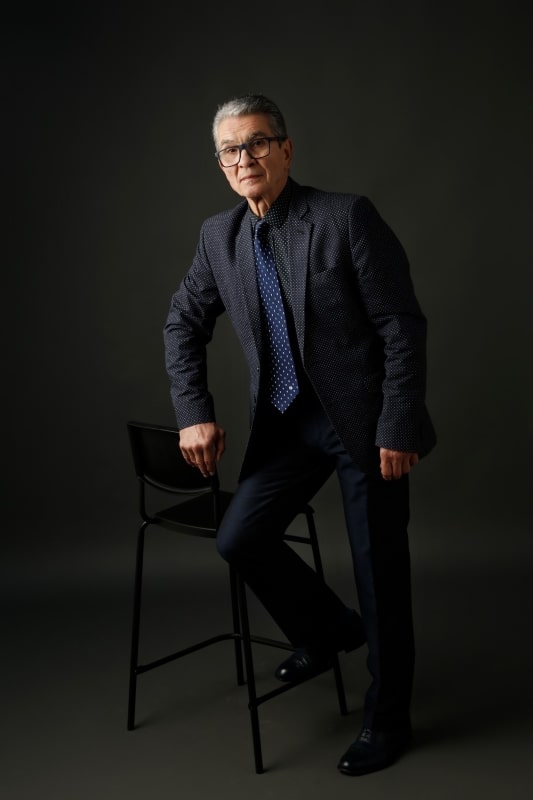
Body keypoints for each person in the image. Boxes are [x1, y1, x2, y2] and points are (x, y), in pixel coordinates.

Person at [163, 94, 436, 776]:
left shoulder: (344, 218)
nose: (243, 159)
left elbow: (400, 326)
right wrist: (193, 410)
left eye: (256, 143)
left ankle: (388, 718)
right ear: (220, 164)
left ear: (285, 149)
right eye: (230, 150)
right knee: (239, 538)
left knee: (379, 570)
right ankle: (328, 630)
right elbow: (181, 323)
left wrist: (398, 422)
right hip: (286, 423)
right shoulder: (218, 237)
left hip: (363, 424)